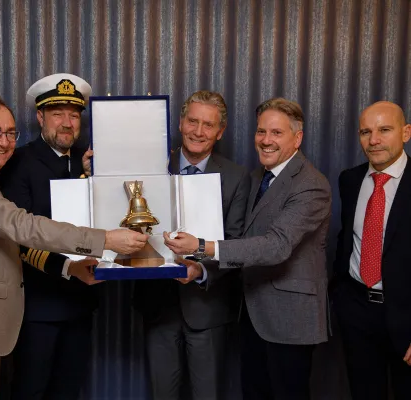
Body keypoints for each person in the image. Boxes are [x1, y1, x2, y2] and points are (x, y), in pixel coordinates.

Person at [0, 95, 147, 400]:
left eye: (10, 133)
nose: (3, 141)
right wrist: (104, 240)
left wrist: (69, 267)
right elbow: (21, 226)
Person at [165, 97, 331, 400]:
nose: (266, 140)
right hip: (253, 314)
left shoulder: (311, 184)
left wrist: (201, 247)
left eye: (277, 133)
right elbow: (243, 239)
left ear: (297, 138)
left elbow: (276, 246)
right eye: (261, 131)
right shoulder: (257, 178)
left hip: (290, 320)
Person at [133, 90, 250, 400]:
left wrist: (201, 270)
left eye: (208, 125)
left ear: (220, 131)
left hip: (208, 307)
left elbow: (235, 242)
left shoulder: (237, 177)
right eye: (193, 121)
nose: (198, 132)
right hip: (158, 306)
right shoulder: (149, 168)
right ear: (181, 123)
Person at [0, 73, 100, 400]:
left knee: (68, 390)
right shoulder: (19, 163)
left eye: (74, 115)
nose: (67, 123)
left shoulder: (89, 161)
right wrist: (68, 268)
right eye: (57, 114)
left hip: (81, 303)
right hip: (38, 307)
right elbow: (18, 237)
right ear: (40, 117)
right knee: (30, 390)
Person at [332, 101, 411, 400]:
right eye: (366, 132)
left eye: (384, 130)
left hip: (406, 316)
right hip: (357, 310)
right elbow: (346, 239)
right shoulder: (350, 180)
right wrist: (341, 298)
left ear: (406, 133)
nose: (374, 140)